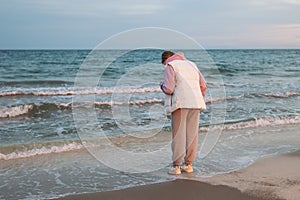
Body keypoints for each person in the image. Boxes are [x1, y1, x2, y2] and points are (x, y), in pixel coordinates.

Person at [160, 51, 207, 175]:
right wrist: (196, 97)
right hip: (196, 102)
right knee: (192, 135)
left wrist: (162, 86)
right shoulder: (192, 65)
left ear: (166, 60)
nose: (165, 66)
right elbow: (203, 86)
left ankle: (176, 166)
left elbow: (169, 89)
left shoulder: (171, 66)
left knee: (178, 135)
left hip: (180, 103)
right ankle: (188, 164)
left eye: (164, 64)